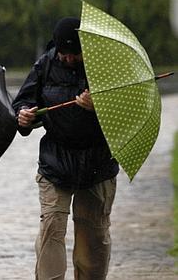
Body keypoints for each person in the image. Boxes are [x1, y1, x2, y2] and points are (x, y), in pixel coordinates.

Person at [12, 17, 119, 279]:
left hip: (98, 164)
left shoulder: (105, 66)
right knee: (51, 228)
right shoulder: (45, 64)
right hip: (55, 162)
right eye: (65, 53)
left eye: (76, 54)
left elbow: (123, 115)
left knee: (93, 236)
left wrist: (99, 106)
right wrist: (23, 115)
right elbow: (24, 102)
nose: (69, 59)